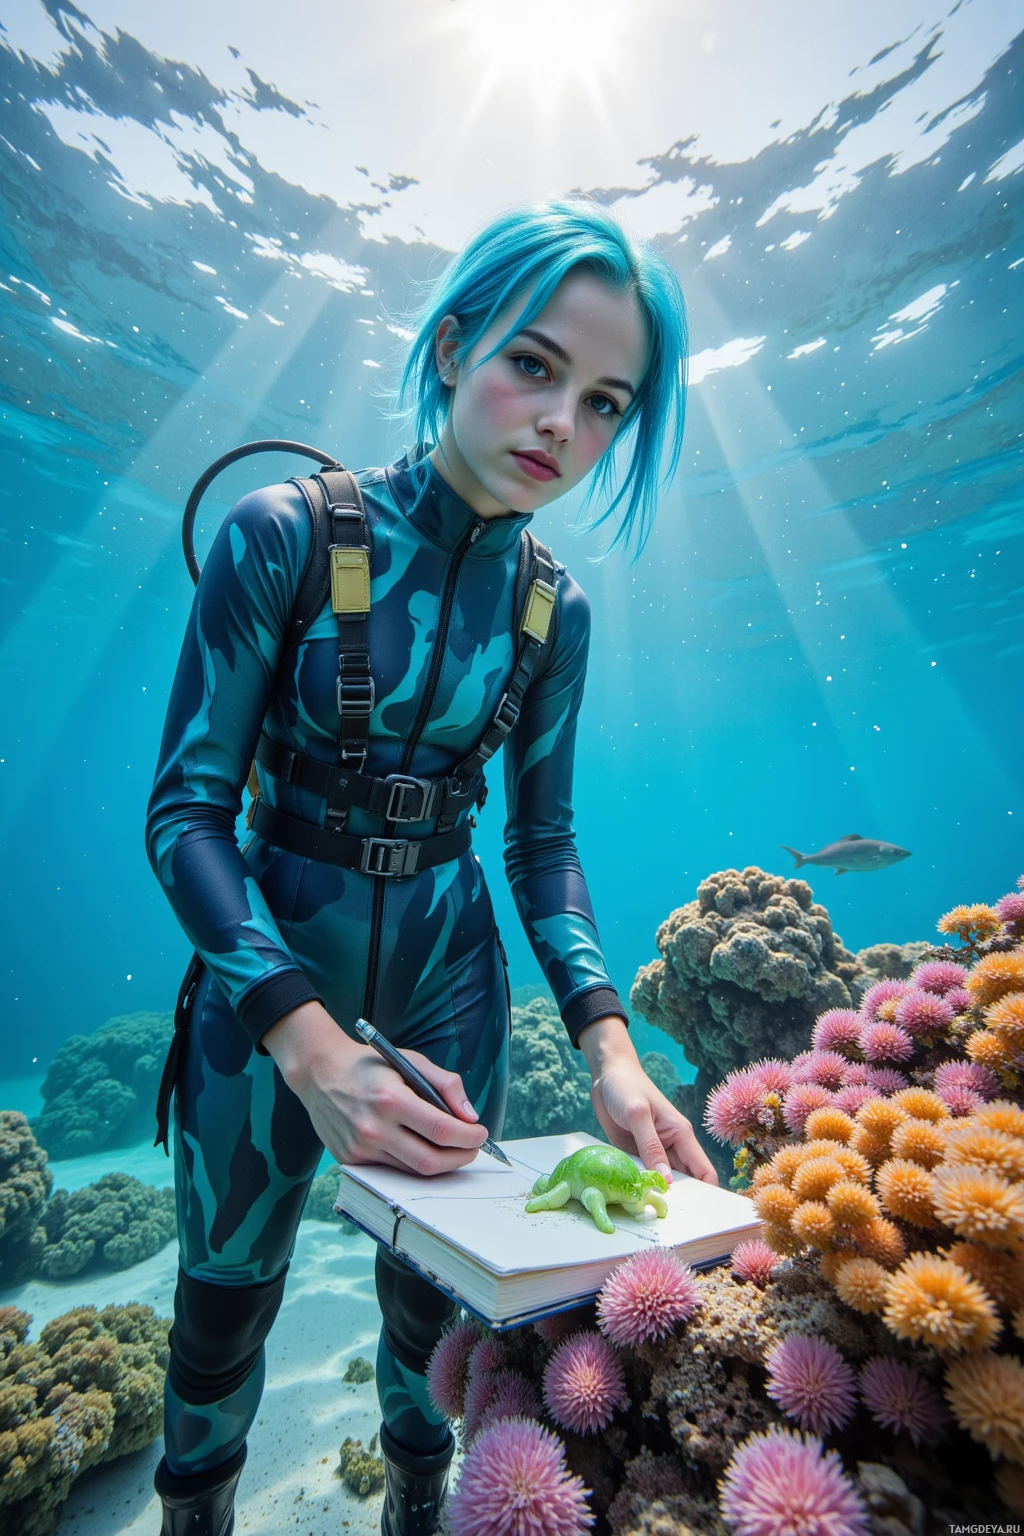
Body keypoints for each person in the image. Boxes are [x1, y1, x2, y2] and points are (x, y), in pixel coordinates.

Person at [144, 196, 716, 1536]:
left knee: (436, 1327)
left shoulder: (555, 614)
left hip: (454, 998)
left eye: (607, 402)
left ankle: (419, 1510)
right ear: (456, 345)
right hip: (262, 1005)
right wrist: (305, 1044)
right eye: (534, 364)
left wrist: (611, 1049)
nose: (560, 426)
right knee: (221, 1310)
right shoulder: (277, 535)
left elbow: (544, 845)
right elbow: (184, 815)